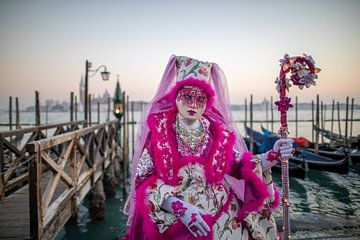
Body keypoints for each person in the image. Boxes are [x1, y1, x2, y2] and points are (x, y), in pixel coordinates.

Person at [121, 55, 294, 240]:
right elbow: (143, 180)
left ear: (207, 101)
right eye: (187, 96)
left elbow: (239, 165)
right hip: (176, 220)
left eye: (200, 99)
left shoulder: (215, 132)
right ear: (176, 96)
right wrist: (180, 208)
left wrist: (274, 154)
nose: (193, 105)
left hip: (225, 216)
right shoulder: (160, 132)